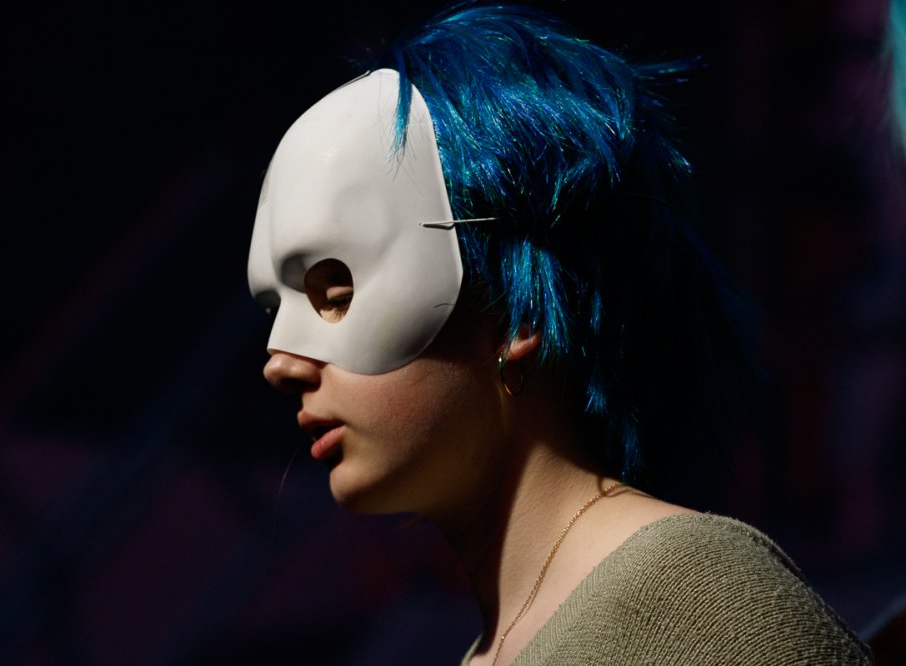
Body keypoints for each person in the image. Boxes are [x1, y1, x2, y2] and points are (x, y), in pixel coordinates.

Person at [248, 4, 873, 664]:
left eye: (336, 292)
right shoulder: (499, 646)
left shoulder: (696, 602)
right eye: (274, 310)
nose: (279, 363)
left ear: (516, 311)